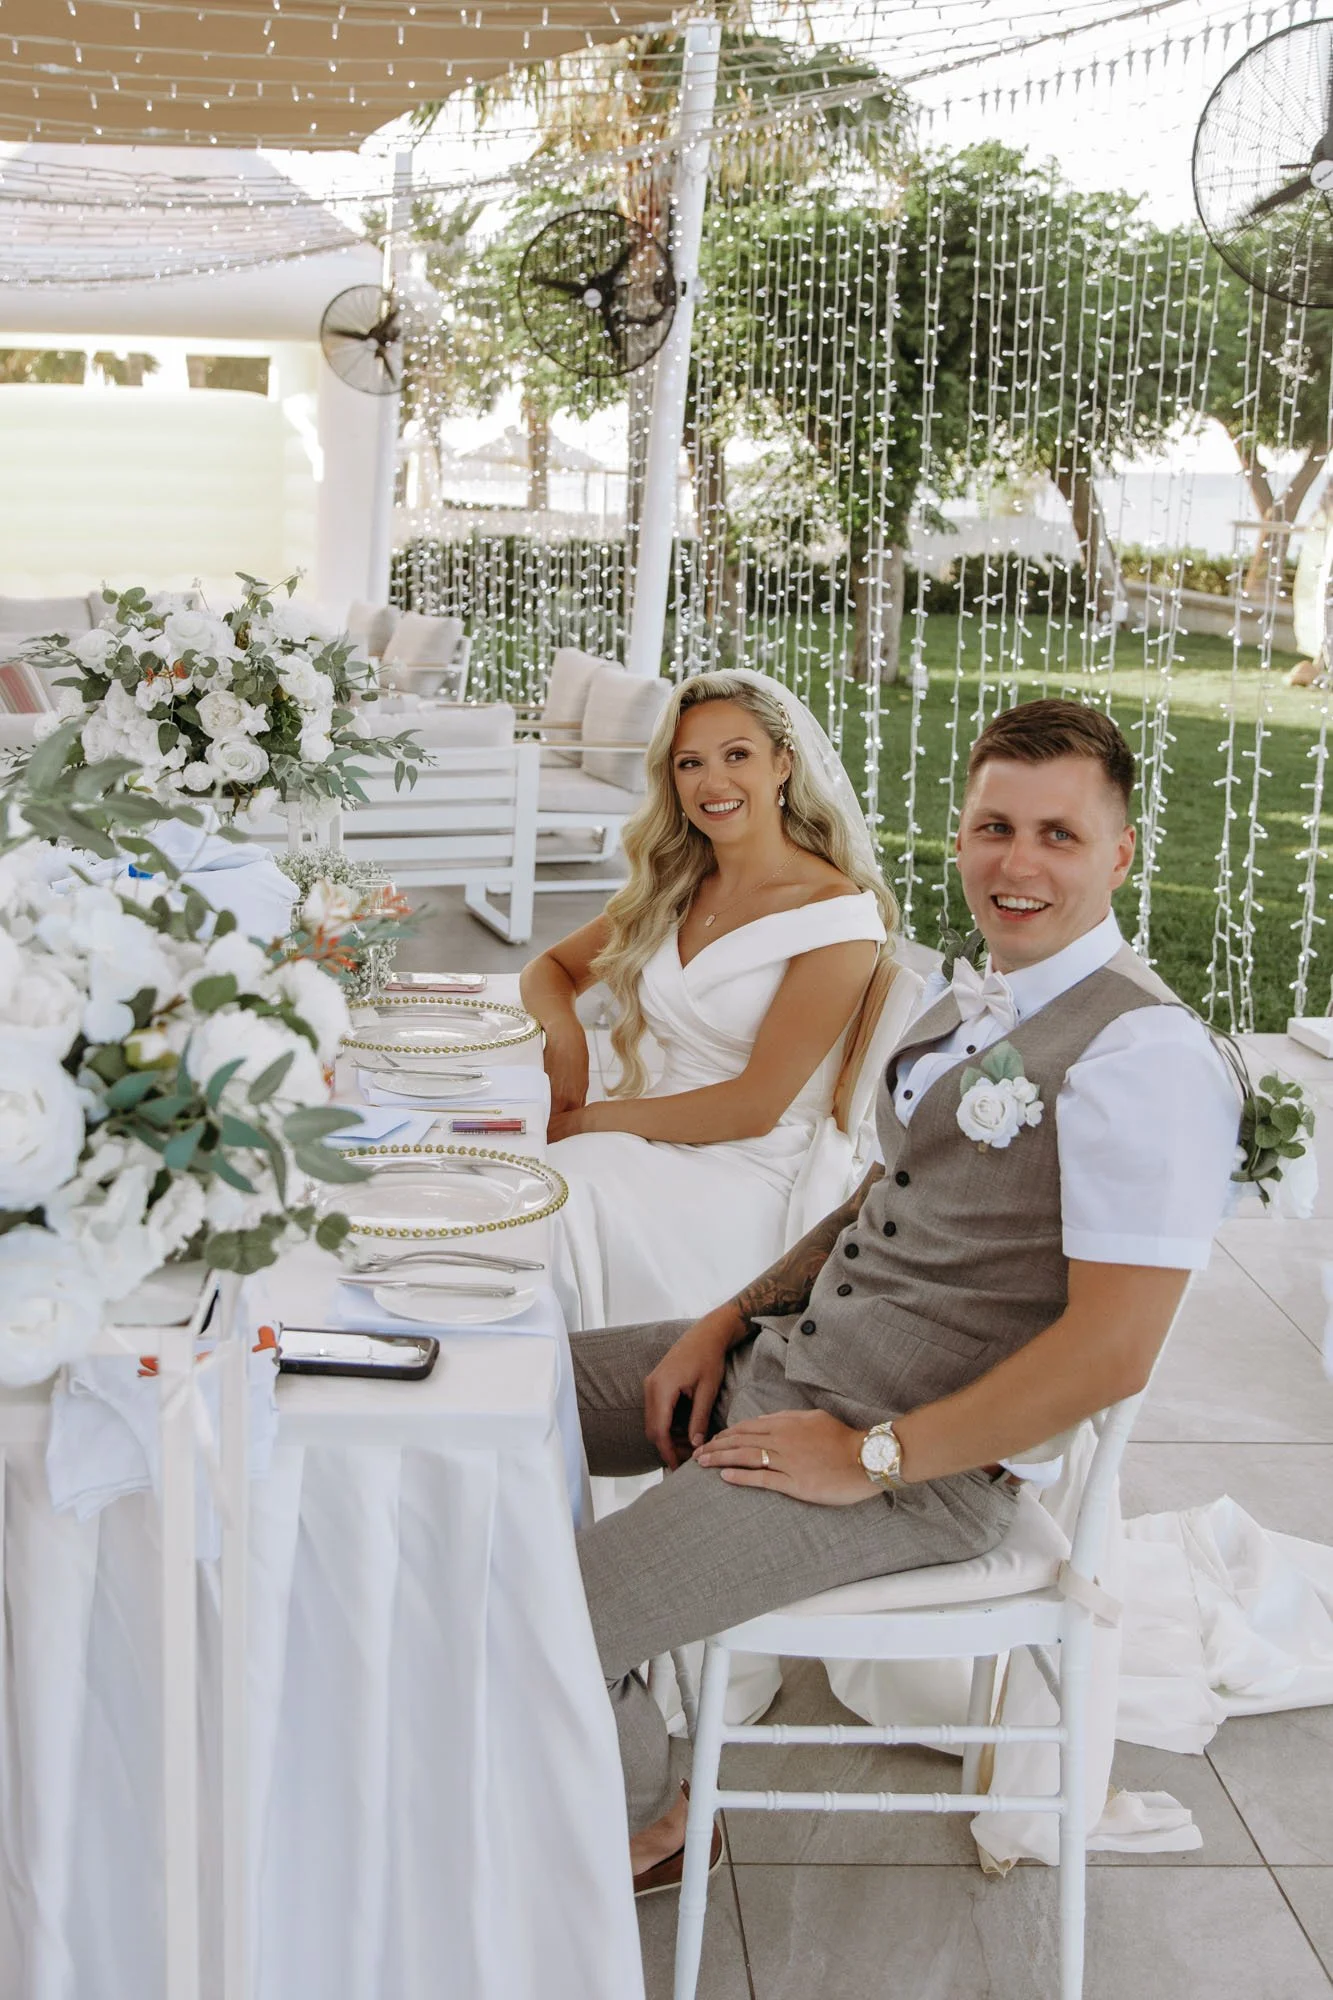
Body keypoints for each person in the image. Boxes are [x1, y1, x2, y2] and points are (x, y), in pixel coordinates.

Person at [570, 697, 1241, 1891]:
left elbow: (1111, 1351)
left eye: (1057, 834)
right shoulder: (981, 999)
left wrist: (869, 1456)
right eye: (993, 826)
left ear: (1122, 852)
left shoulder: (1145, 1058)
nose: (1015, 862)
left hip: (913, 1474)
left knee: (555, 1606)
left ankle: (641, 1826)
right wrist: (723, 1323)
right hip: (785, 1361)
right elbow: (878, 1193)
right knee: (497, 1386)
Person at [521, 670, 920, 1333]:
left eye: (737, 755)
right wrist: (563, 1039)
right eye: (690, 763)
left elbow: (753, 1107)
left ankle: (552, 1405)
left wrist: (590, 1121)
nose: (713, 783)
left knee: (544, 1202)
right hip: (644, 1135)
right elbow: (551, 969)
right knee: (502, 1174)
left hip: (746, 1168)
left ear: (782, 764)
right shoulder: (678, 884)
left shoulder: (833, 917)